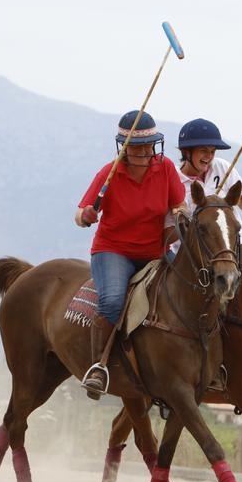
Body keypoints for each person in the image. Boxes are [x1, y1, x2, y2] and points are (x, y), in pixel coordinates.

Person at [75, 110, 186, 399]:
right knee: (112, 301)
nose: (146, 152)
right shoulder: (110, 173)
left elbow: (178, 205)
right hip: (114, 250)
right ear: (124, 148)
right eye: (138, 147)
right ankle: (98, 366)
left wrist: (178, 218)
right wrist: (86, 215)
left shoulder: (166, 169)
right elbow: (81, 213)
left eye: (150, 146)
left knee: (188, 291)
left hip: (154, 252)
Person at [176, 118, 242, 268]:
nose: (209, 156)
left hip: (233, 242)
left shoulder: (222, 167)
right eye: (203, 151)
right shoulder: (174, 179)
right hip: (196, 249)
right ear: (186, 151)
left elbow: (241, 198)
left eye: (212, 151)